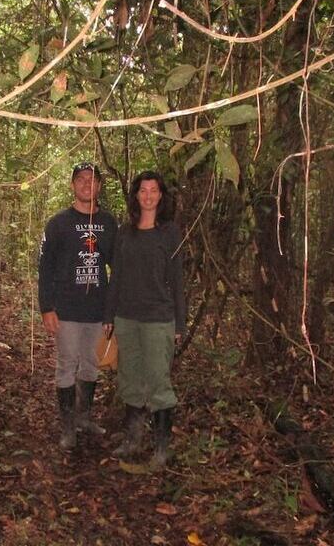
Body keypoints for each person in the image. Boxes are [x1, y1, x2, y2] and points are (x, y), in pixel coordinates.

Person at [103, 171, 186, 468]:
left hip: (158, 318)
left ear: (161, 195)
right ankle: (133, 438)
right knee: (130, 379)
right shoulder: (125, 232)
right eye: (143, 190)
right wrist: (109, 314)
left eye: (153, 190)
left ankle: (162, 448)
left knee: (158, 381)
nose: (148, 196)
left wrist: (180, 323)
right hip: (127, 317)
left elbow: (177, 279)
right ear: (136, 195)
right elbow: (116, 276)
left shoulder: (169, 232)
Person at [38, 162, 118, 451]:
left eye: (92, 179)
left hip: (97, 309)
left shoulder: (108, 223)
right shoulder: (58, 223)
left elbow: (117, 268)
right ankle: (68, 426)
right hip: (66, 309)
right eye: (81, 179)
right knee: (67, 364)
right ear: (72, 185)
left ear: (99, 186)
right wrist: (46, 307)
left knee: (91, 364)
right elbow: (45, 268)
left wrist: (113, 310)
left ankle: (84, 417)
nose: (87, 184)